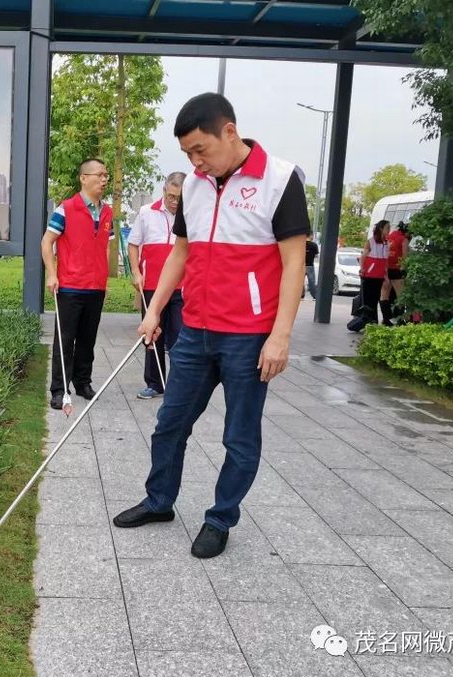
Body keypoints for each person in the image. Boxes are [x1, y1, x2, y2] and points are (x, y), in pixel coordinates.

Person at [112, 93, 309, 559]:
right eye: (187, 155)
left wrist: (280, 336)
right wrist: (155, 309)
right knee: (169, 424)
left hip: (248, 336)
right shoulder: (197, 186)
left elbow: (294, 261)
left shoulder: (280, 180)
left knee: (239, 437)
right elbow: (182, 252)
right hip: (195, 330)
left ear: (229, 131)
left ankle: (220, 518)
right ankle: (160, 501)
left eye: (201, 149)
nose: (196, 162)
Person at [41, 158, 113, 411]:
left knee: (87, 339)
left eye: (106, 175)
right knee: (65, 339)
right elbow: (46, 242)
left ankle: (83, 382)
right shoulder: (66, 208)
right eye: (99, 175)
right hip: (70, 286)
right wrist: (52, 274)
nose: (104, 179)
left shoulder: (107, 212)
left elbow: (104, 246)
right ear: (83, 178)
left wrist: (104, 278)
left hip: (96, 287)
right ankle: (60, 389)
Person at [127, 172, 186, 400]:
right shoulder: (146, 213)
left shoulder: (190, 214)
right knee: (152, 335)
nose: (174, 202)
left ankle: (178, 385)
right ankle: (154, 383)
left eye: (179, 198)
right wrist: (135, 272)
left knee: (180, 336)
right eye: (171, 196)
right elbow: (133, 245)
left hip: (182, 287)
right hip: (151, 284)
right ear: (164, 190)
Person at [360, 220, 390, 325]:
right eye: (387, 228)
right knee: (369, 299)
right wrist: (362, 269)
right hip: (369, 275)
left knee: (375, 298)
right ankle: (369, 321)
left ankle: (372, 321)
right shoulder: (370, 241)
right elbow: (363, 257)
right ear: (381, 229)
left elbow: (385, 260)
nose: (389, 230)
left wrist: (385, 275)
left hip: (379, 275)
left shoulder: (386, 243)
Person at [381, 221, 410, 323]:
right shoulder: (404, 239)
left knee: (384, 294)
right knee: (400, 295)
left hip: (386, 268)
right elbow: (405, 258)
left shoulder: (389, 237)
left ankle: (385, 319)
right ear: (407, 232)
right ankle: (400, 319)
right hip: (397, 270)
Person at [303, 235, 319, 299]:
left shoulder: (302, 244)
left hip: (302, 265)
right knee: (312, 282)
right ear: (310, 236)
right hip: (310, 265)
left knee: (300, 282)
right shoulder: (314, 245)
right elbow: (316, 256)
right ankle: (314, 296)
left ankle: (301, 295)